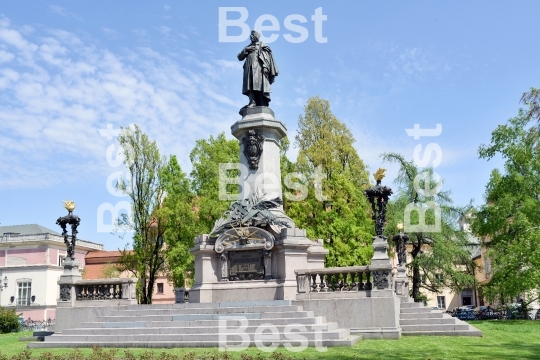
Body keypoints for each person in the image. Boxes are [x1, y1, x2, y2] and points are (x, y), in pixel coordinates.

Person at [237, 30, 279, 108]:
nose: (251, 36)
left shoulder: (261, 45)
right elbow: (240, 57)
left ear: (257, 36)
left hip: (259, 68)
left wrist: (265, 66)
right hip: (248, 67)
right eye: (251, 35)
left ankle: (261, 102)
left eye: (253, 35)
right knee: (250, 85)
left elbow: (266, 57)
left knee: (259, 85)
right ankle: (252, 101)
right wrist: (246, 50)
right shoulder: (248, 47)